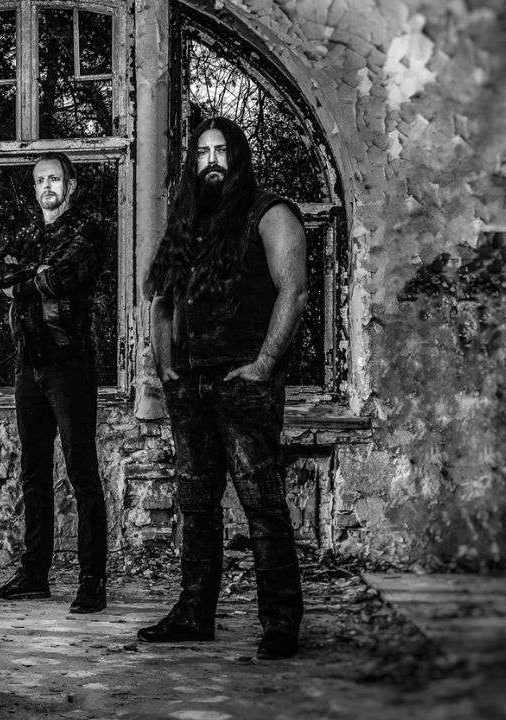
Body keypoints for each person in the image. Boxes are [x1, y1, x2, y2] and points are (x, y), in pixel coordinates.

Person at [141, 116, 308, 659]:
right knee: (196, 505)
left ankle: (280, 623)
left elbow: (294, 291)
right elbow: (161, 300)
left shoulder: (270, 212)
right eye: (202, 152)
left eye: (221, 151)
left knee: (262, 505)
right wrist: (166, 369)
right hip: (189, 384)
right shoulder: (187, 222)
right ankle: (194, 613)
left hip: (242, 383)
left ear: (238, 157)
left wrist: (263, 365)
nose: (211, 160)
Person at [0, 152, 110, 614]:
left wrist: (24, 280)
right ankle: (34, 575)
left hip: (68, 364)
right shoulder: (28, 234)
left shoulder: (87, 229)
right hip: (28, 365)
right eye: (40, 181)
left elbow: (62, 277)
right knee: (33, 474)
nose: (46, 187)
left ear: (69, 184)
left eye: (54, 179)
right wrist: (30, 277)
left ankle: (93, 580)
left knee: (81, 472)